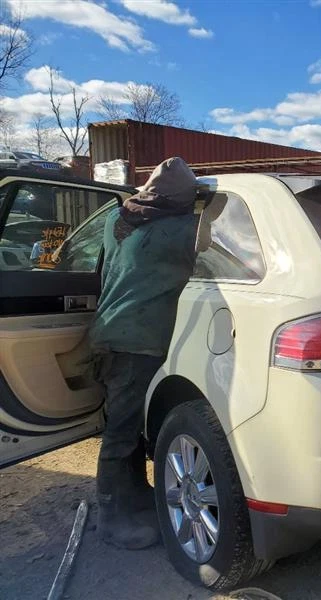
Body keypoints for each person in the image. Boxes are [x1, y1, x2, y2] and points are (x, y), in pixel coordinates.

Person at [88, 157, 199, 550]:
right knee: (120, 434)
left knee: (128, 425)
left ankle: (134, 499)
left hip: (107, 334)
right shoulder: (182, 231)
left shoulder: (115, 220)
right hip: (137, 343)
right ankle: (111, 520)